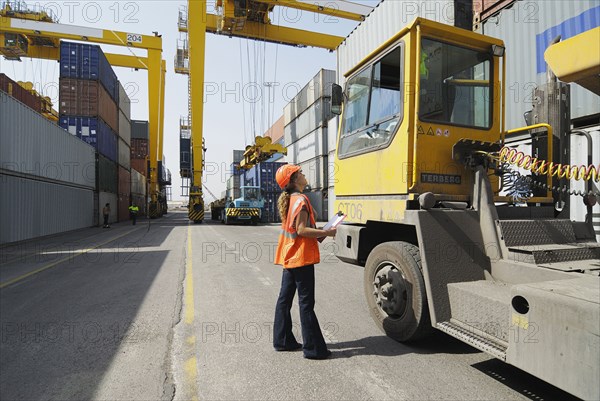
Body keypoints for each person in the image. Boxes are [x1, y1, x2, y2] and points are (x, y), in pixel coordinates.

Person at [273, 164, 337, 360]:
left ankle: (282, 341)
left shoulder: (291, 200)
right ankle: (313, 349)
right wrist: (327, 231)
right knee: (306, 304)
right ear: (293, 180)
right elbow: (301, 230)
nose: (303, 174)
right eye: (299, 173)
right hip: (301, 258)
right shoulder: (300, 199)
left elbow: (302, 231)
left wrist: (320, 233)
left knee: (284, 301)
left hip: (289, 256)